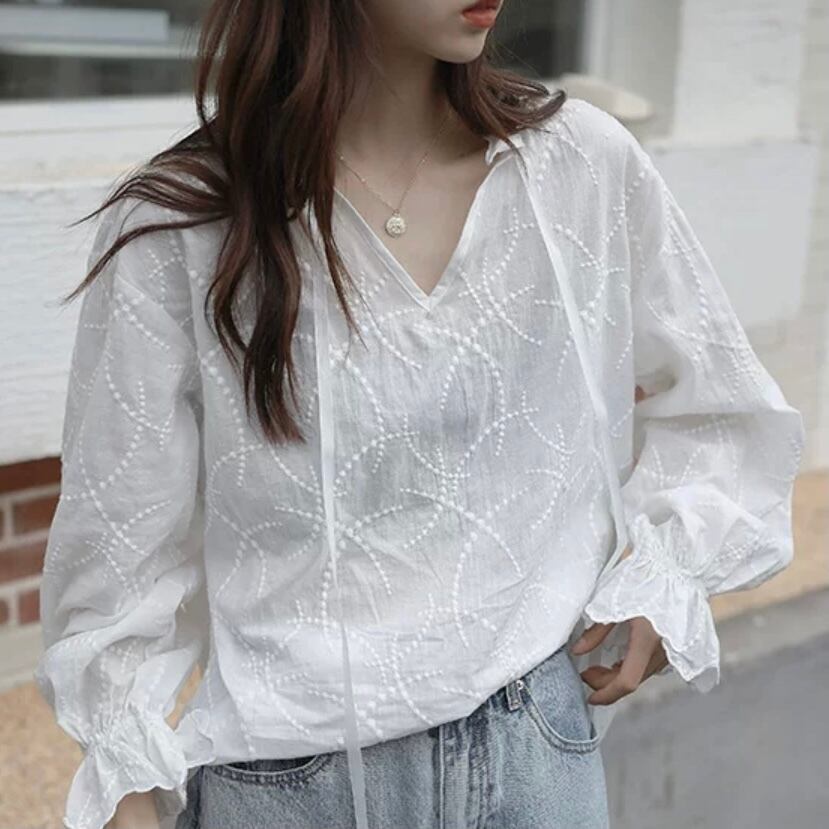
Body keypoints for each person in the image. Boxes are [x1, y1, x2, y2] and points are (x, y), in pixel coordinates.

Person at [34, 1, 806, 828]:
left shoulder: (576, 168)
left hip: (536, 756)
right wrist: (126, 784)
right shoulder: (186, 225)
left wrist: (667, 570)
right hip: (290, 785)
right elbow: (117, 566)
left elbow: (722, 410)